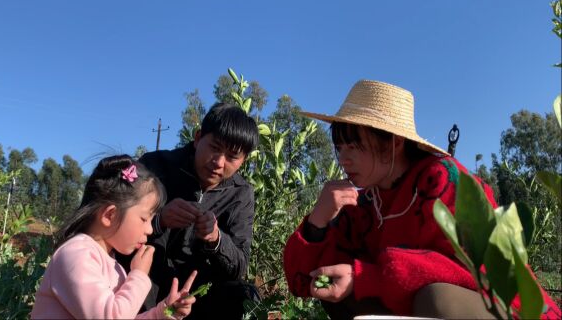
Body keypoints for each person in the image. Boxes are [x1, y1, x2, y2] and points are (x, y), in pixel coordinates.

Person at [282, 80, 561, 319]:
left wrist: (367, 277)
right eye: (339, 147)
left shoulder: (443, 180)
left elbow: (474, 272)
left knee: (438, 299)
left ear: (394, 142)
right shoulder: (366, 203)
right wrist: (317, 221)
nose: (343, 159)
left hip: (507, 309)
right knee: (339, 292)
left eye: (354, 146)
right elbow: (302, 281)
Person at [116, 102, 260, 320]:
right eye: (214, 147)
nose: (219, 162)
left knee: (245, 295)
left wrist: (216, 238)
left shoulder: (241, 194)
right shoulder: (155, 166)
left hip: (196, 291)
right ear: (198, 138)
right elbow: (113, 220)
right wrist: (159, 220)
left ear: (243, 161)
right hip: (143, 274)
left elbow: (238, 265)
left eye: (232, 157)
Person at [31, 155, 198, 319]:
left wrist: (162, 313)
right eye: (144, 219)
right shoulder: (76, 255)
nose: (149, 229)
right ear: (109, 215)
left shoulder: (111, 264)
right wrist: (139, 275)